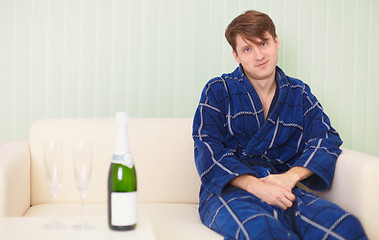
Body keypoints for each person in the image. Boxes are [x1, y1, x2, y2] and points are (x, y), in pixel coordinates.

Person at [192, 10, 367, 240]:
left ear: (276, 42)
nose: (258, 55)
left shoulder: (299, 93)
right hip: (228, 191)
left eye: (263, 43)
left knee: (346, 227)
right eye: (247, 49)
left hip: (282, 186)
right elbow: (207, 147)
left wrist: (290, 177)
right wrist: (256, 186)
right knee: (266, 233)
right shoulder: (217, 90)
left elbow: (327, 138)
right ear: (236, 55)